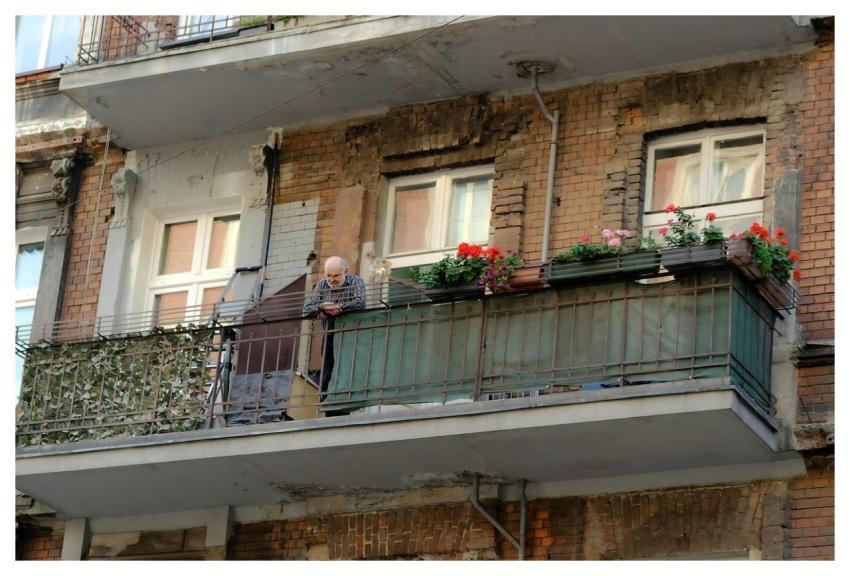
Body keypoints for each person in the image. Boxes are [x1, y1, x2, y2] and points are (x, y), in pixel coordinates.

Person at [303, 256, 366, 411]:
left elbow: (360, 302)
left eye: (336, 275)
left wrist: (337, 307)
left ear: (346, 271)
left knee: (347, 367)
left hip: (351, 334)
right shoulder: (322, 285)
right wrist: (322, 306)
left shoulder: (356, 282)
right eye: (328, 275)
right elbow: (307, 309)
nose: (331, 279)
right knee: (327, 368)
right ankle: (326, 401)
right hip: (330, 333)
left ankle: (348, 399)